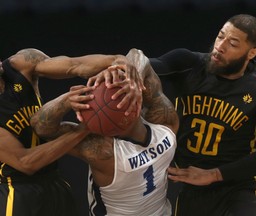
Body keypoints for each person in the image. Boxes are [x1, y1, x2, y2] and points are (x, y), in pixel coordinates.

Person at [134, 14, 256, 215]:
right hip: (192, 189)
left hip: (240, 186)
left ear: (251, 53)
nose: (220, 46)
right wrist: (124, 64)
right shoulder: (188, 63)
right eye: (220, 36)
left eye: (232, 43)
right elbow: (141, 66)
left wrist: (214, 174)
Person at [30, 49, 179, 216]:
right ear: (138, 101)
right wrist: (132, 76)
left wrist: (67, 100)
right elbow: (138, 55)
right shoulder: (166, 126)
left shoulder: (104, 152)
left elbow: (40, 126)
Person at [0, 48, 143, 216]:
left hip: (55, 182)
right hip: (17, 191)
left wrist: (116, 62)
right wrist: (85, 128)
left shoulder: (20, 63)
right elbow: (26, 162)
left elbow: (74, 64)